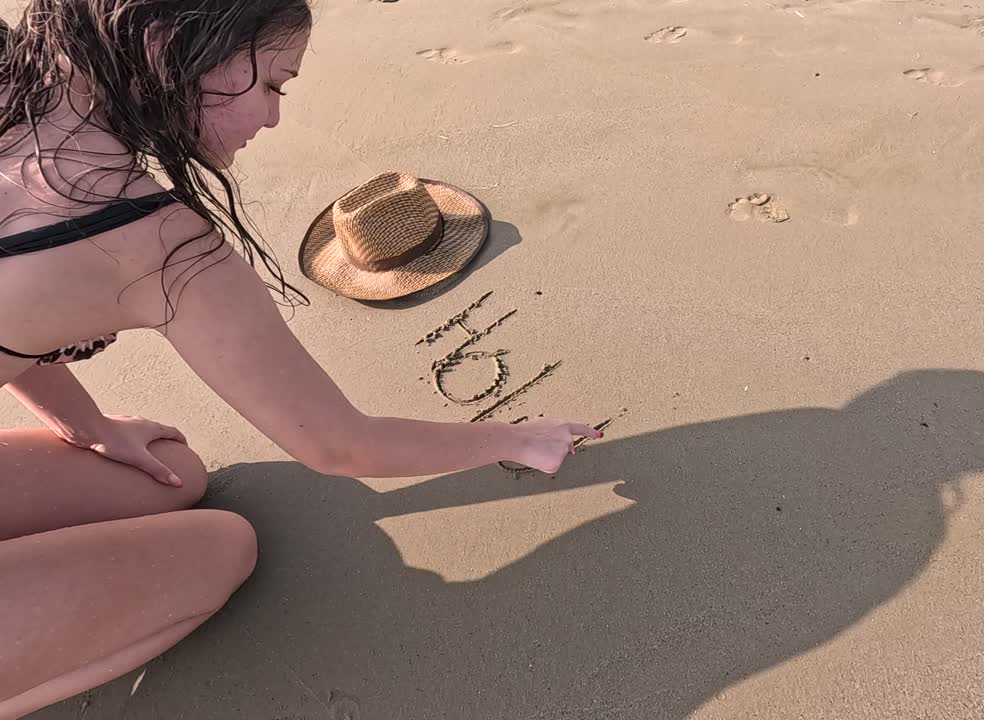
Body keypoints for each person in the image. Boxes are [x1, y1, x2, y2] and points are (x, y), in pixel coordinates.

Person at [0, 1, 599, 717]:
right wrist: (518, 438)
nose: (275, 117)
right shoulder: (152, 243)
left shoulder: (14, 78)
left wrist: (88, 424)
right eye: (274, 84)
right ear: (166, 45)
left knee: (176, 477)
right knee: (222, 548)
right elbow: (340, 445)